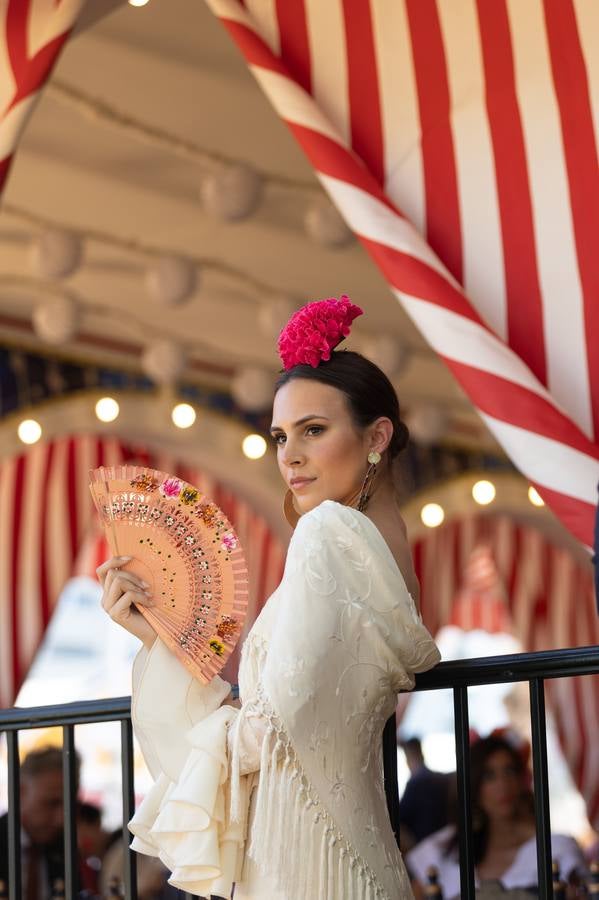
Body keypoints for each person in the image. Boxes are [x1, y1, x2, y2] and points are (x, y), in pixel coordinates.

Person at [98, 295, 441, 899]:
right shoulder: (392, 558)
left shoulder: (326, 534)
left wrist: (169, 652)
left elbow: (265, 736)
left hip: (303, 865)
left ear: (377, 436)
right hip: (355, 858)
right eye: (281, 436)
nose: (290, 456)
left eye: (314, 430)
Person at [407, 734, 587, 899]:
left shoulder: (555, 848)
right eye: (489, 776)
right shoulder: (444, 848)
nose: (503, 784)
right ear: (474, 786)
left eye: (509, 771)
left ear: (521, 780)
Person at [0, 746, 81, 900]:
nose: (61, 819)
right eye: (51, 803)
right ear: (20, 792)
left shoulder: (64, 847)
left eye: (69, 806)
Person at [398, 737, 450, 849]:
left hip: (421, 845)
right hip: (442, 843)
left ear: (408, 759)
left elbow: (400, 816)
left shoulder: (415, 783)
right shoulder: (439, 779)